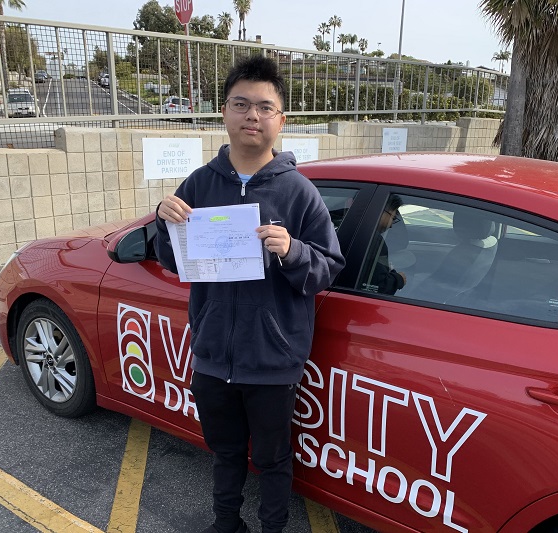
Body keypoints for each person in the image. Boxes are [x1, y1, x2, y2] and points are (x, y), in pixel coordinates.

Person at [153, 55, 345, 533]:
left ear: (281, 120)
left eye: (264, 107)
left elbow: (328, 269)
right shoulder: (200, 183)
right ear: (224, 112)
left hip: (272, 359)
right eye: (241, 104)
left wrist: (293, 250)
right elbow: (174, 261)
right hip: (214, 354)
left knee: (275, 457)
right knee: (224, 451)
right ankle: (226, 523)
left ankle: (273, 527)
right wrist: (163, 222)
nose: (252, 116)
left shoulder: (300, 193)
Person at [361, 194, 406, 295]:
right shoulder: (374, 241)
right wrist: (398, 279)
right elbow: (378, 287)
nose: (391, 226)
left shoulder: (357, 232)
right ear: (382, 211)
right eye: (393, 218)